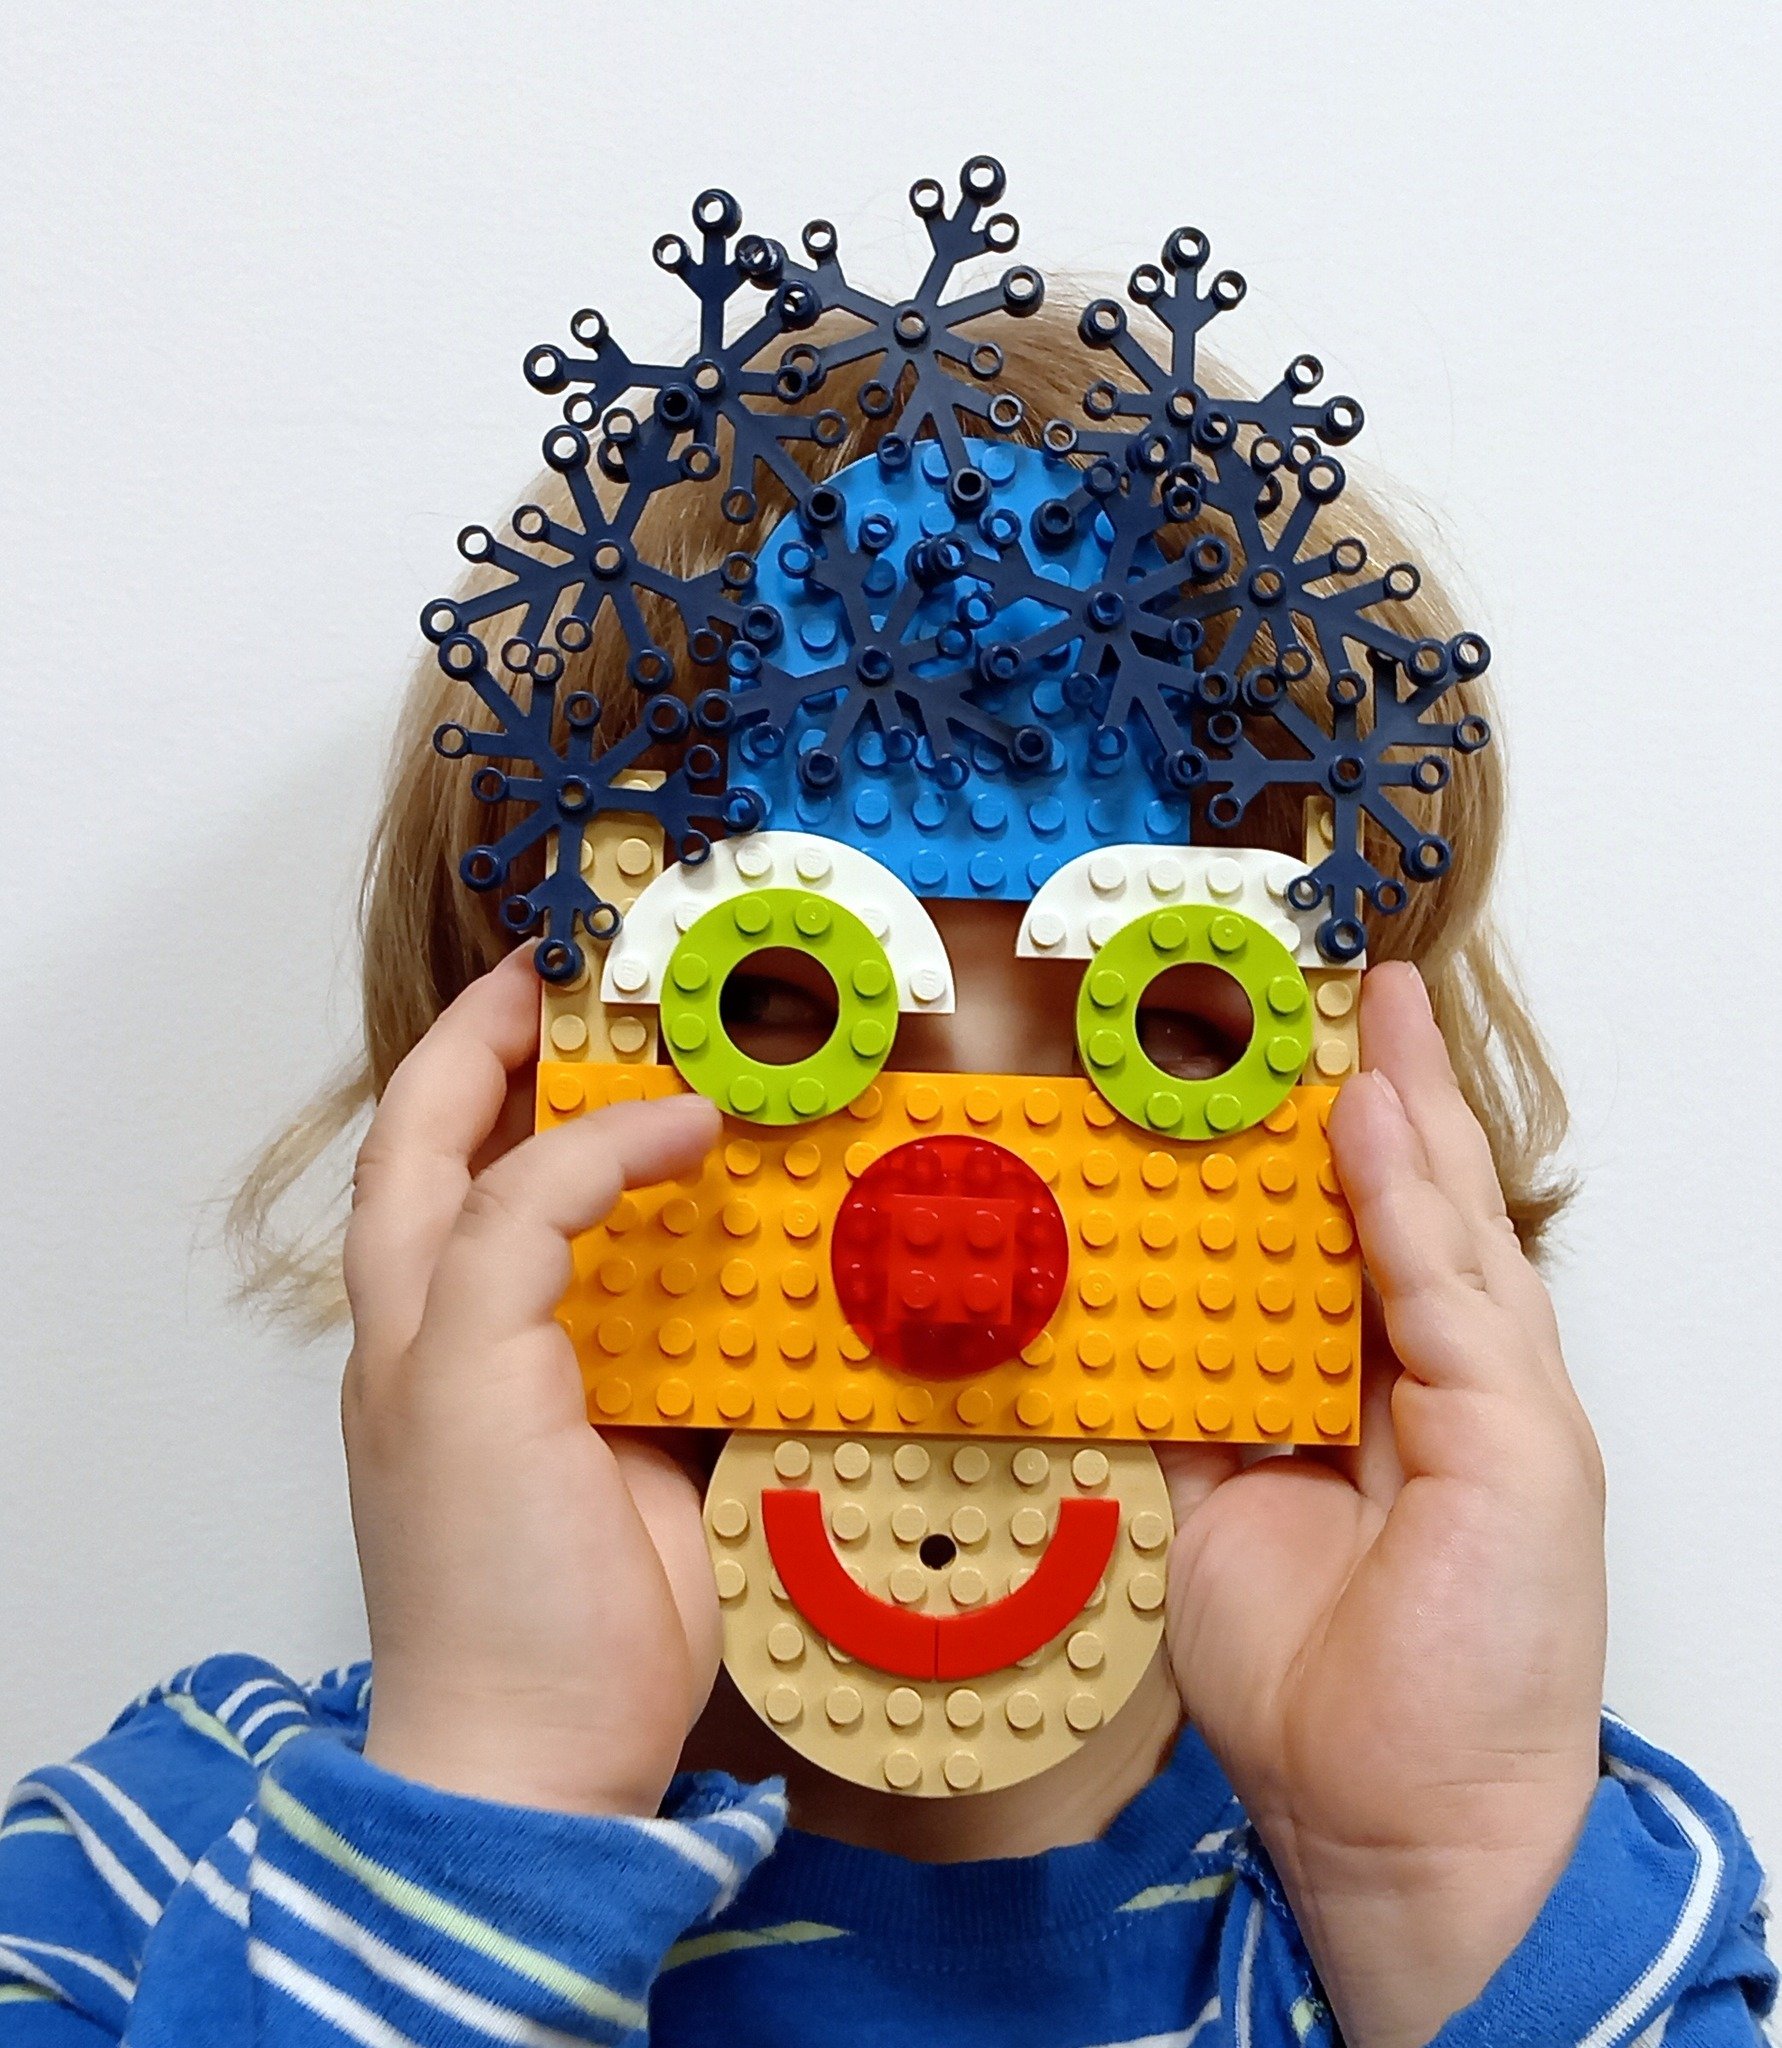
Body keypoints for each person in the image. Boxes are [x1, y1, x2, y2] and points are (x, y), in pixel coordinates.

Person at [2, 299, 1772, 2048]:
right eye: (769, 1009)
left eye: (1176, 1030)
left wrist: (1439, 1875)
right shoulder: (151, 1889)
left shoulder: (1523, 1916)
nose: (960, 1252)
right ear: (480, 1131)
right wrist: (496, 1785)